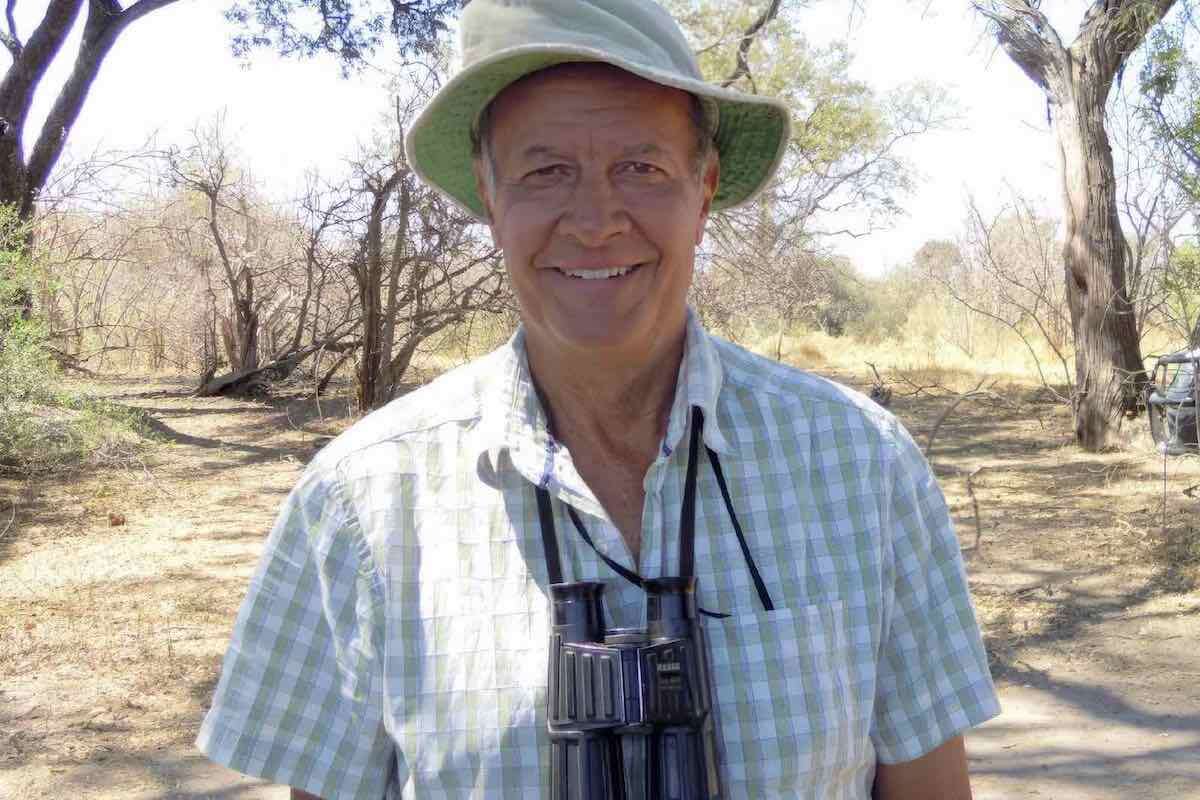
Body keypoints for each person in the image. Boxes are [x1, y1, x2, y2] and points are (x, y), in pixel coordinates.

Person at [196, 0, 1001, 797]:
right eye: (546, 171)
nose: (594, 220)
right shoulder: (360, 503)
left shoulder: (864, 463)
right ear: (488, 194)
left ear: (705, 188)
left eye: (639, 168)